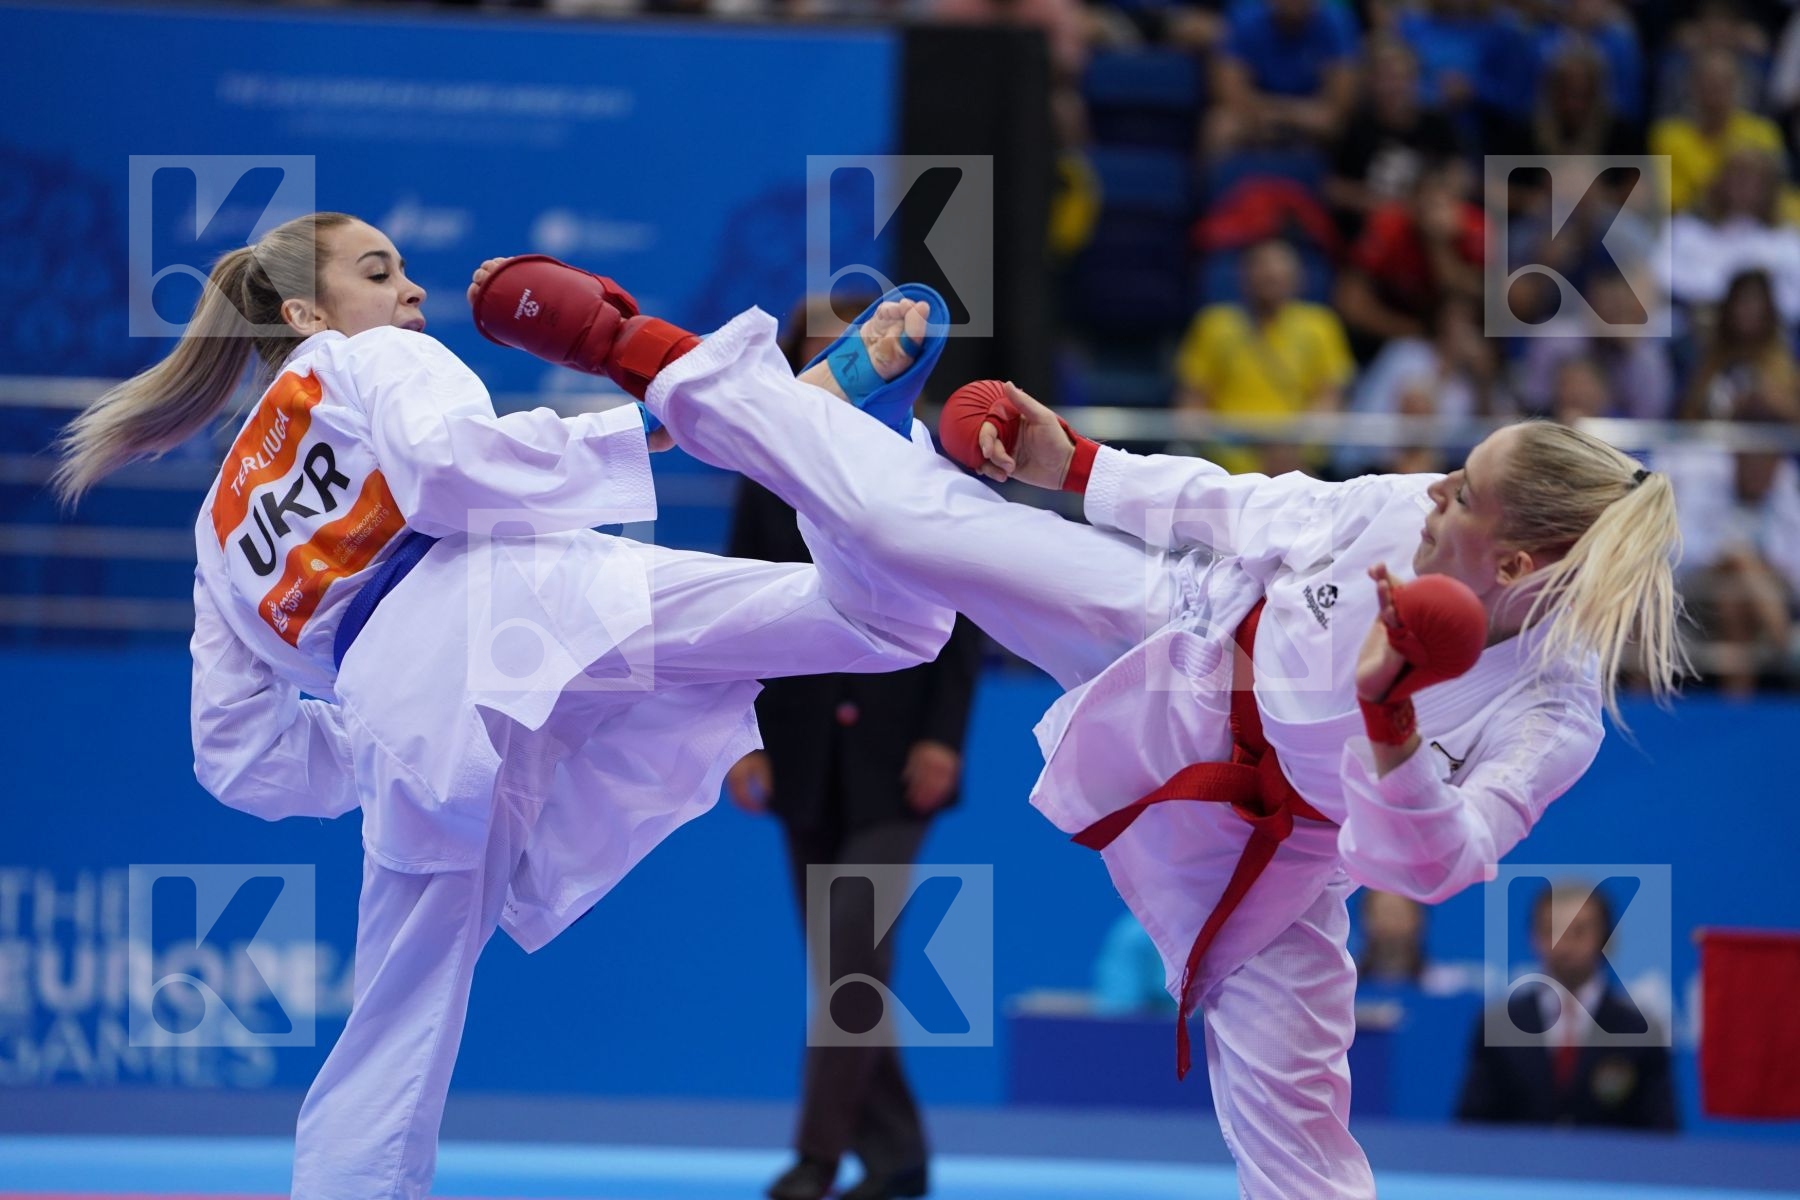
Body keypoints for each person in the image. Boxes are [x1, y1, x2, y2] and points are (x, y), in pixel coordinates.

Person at [474, 256, 1685, 1200]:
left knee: (1305, 1149)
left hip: (1274, 866)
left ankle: (840, 440)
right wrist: (1078, 465)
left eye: (1460, 498)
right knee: (906, 532)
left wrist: (1386, 726)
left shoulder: (1552, 709)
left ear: (1516, 561)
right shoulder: (1395, 507)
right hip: (1170, 641)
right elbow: (1245, 505)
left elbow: (1429, 866)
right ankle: (640, 346)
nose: (1431, 495)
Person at [52, 214, 958, 1200]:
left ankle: (804, 421)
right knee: (884, 627)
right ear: (308, 313)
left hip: (409, 718)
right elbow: (451, 473)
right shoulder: (370, 359)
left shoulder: (219, 518)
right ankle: (822, 429)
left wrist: (382, 745)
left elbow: (237, 756)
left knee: (390, 1039)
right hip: (526, 608)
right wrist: (649, 420)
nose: (413, 293)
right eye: (379, 271)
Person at [722, 300, 984, 1200]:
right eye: (825, 353)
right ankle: (900, 1157)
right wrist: (740, 739)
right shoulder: (762, 472)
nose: (845, 364)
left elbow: (966, 609)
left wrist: (943, 738)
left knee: (849, 965)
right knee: (846, 974)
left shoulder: (917, 457)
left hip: (896, 763)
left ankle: (815, 1161)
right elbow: (736, 608)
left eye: (862, 349)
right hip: (800, 761)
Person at [1457, 882, 1679, 1130]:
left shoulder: (1640, 1031)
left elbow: (1661, 1136)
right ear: (1534, 937)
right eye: (1552, 930)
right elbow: (1471, 1129)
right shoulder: (1499, 1025)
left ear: (1605, 938)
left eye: (1579, 931)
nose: (1565, 945)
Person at [1174, 238, 1355, 475]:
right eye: (1261, 269)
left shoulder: (1321, 325)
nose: (1270, 277)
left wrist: (1295, 452)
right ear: (1243, 276)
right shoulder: (1213, 325)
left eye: (1279, 272)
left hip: (1296, 461)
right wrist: (1231, 458)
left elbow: (1329, 400)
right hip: (1226, 461)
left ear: (1298, 278)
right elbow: (1192, 404)